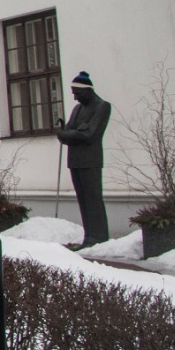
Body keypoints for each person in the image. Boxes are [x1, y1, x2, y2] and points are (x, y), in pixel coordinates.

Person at [55, 70, 111, 247]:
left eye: (77, 93)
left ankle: (99, 237)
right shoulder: (78, 109)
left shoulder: (102, 106)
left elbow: (90, 135)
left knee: (93, 198)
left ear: (87, 90)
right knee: (83, 199)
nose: (75, 98)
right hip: (75, 160)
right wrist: (74, 132)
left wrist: (74, 133)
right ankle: (89, 236)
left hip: (90, 160)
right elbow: (64, 134)